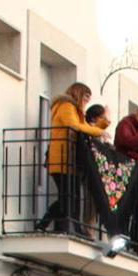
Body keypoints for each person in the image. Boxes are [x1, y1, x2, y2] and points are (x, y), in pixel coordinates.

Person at [39, 82, 105, 234]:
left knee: (71, 197)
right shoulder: (66, 106)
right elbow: (75, 125)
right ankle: (49, 224)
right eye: (86, 97)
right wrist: (98, 131)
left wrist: (101, 126)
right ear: (78, 93)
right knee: (67, 197)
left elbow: (85, 126)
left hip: (69, 160)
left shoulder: (75, 110)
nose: (86, 102)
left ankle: (63, 227)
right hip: (61, 158)